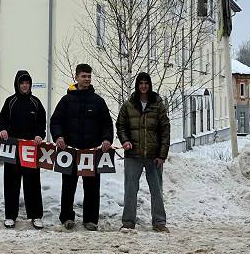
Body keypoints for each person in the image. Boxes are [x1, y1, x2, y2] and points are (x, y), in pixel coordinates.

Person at [49, 63, 113, 231]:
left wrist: (107, 139)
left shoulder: (98, 101)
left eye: (89, 76)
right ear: (76, 77)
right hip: (70, 151)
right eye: (83, 76)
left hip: (91, 152)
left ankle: (90, 219)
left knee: (92, 188)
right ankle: (67, 217)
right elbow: (56, 121)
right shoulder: (66, 100)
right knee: (68, 187)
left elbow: (107, 123)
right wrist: (58, 136)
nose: (86, 79)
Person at [115, 72, 171, 232]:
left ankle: (159, 222)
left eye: (146, 83)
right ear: (137, 85)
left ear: (150, 85)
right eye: (141, 83)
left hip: (154, 156)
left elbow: (165, 130)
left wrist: (162, 155)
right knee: (130, 190)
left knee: (157, 190)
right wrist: (125, 140)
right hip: (133, 155)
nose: (144, 86)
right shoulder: (128, 105)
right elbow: (120, 125)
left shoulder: (158, 105)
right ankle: (128, 222)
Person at [0, 69, 47, 229]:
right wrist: (2, 130)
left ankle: (36, 215)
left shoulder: (36, 102)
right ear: (17, 85)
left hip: (30, 148)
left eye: (27, 83)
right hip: (12, 147)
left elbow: (42, 123)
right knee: (11, 182)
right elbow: (2, 120)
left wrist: (39, 134)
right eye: (22, 83)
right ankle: (10, 216)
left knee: (32, 182)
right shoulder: (10, 101)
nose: (25, 86)